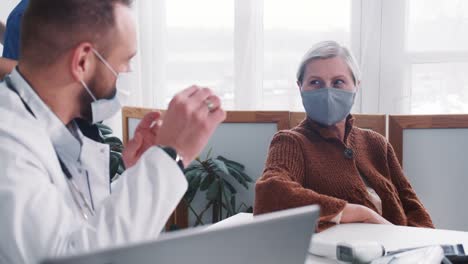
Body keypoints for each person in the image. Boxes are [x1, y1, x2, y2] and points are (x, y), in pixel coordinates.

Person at [0, 0, 226, 263]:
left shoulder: (56, 129)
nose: (126, 72)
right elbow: (69, 258)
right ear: (83, 61)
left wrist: (138, 173)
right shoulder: (9, 146)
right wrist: (171, 155)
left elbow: (82, 226)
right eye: (124, 61)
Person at [254, 41, 433, 232]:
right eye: (315, 82)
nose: (328, 92)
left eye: (338, 82)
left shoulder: (376, 143)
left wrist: (425, 248)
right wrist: (360, 213)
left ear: (356, 85)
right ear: (300, 88)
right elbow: (270, 193)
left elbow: (413, 207)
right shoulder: (291, 142)